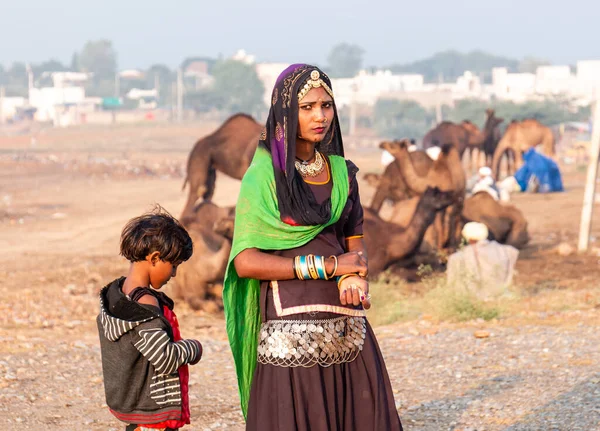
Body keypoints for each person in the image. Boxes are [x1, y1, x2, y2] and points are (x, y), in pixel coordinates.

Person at [223, 64, 403, 430]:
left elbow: (353, 234)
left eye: (326, 105)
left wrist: (357, 274)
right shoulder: (263, 176)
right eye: (307, 108)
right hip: (289, 331)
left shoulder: (341, 172)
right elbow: (245, 262)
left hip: (347, 323)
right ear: (285, 112)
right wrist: (327, 266)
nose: (319, 116)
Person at [97, 206, 203, 431]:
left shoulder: (118, 293)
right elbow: (163, 358)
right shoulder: (146, 304)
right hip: (154, 416)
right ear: (155, 258)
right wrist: (193, 349)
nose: (174, 274)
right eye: (173, 266)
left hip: (137, 411)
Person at [447, 222, 519, 299]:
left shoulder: (459, 257)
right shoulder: (506, 250)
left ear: (468, 238)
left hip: (473, 295)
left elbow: (452, 282)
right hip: (500, 292)